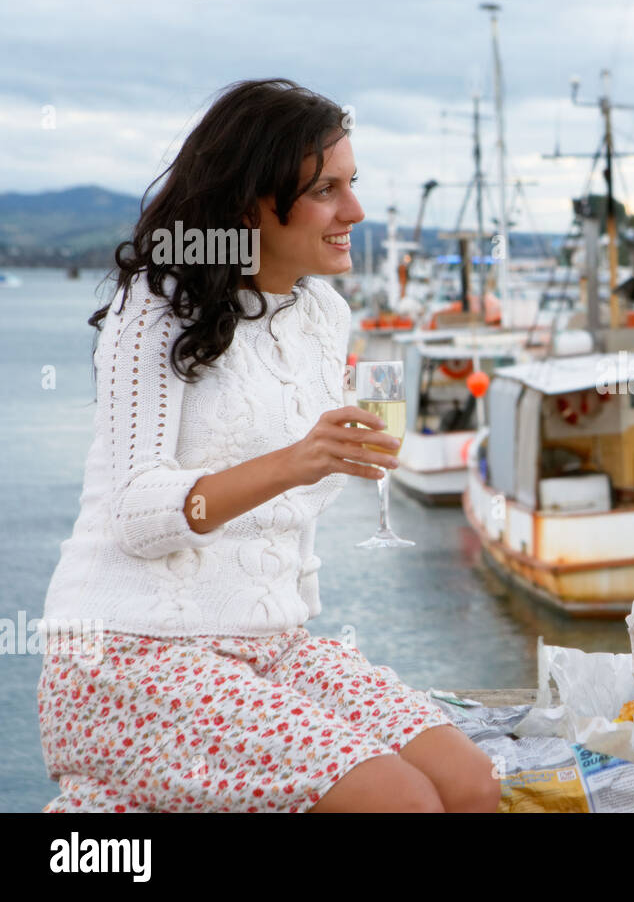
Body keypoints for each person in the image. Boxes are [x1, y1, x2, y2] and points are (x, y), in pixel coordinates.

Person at [37, 78, 499, 813]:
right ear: (251, 204)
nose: (356, 211)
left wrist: (337, 457)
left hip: (272, 644)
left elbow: (294, 517)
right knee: (400, 803)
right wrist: (296, 460)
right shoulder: (158, 303)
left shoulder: (325, 313)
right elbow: (135, 514)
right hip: (132, 652)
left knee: (471, 784)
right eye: (327, 191)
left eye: (354, 184)